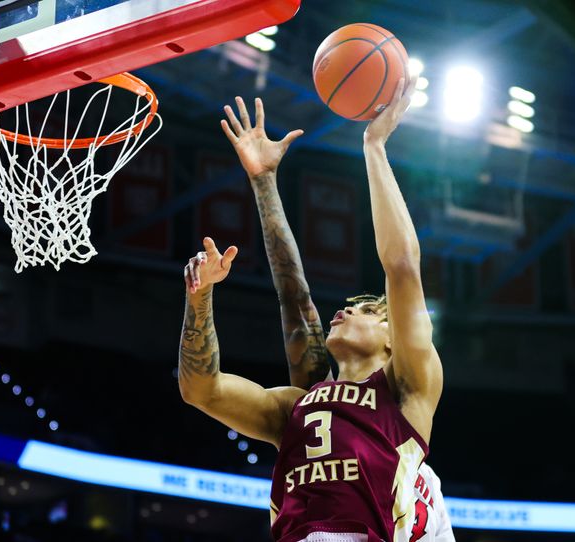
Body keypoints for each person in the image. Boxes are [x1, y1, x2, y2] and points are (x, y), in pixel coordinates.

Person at [179, 75, 443, 542]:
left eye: (366, 310)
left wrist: (374, 145)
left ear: (392, 336)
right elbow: (203, 390)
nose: (344, 311)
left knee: (427, 493)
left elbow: (401, 266)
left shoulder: (406, 390)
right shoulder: (297, 407)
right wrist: (200, 301)